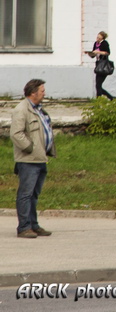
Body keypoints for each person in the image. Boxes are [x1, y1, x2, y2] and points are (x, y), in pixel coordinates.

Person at [11, 78, 55, 238]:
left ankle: (33, 225)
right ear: (33, 93)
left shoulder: (38, 109)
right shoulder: (21, 110)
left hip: (40, 158)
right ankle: (24, 227)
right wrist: (30, 148)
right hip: (28, 160)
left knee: (34, 195)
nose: (44, 93)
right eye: (42, 91)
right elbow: (16, 134)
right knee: (25, 194)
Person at [84, 31, 114, 99]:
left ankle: (99, 100)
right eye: (97, 37)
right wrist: (90, 53)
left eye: (99, 38)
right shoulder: (96, 43)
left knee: (98, 85)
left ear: (102, 38)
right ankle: (111, 97)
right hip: (98, 64)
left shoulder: (105, 43)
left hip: (103, 65)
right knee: (98, 85)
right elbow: (93, 54)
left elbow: (107, 53)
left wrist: (99, 52)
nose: (97, 39)